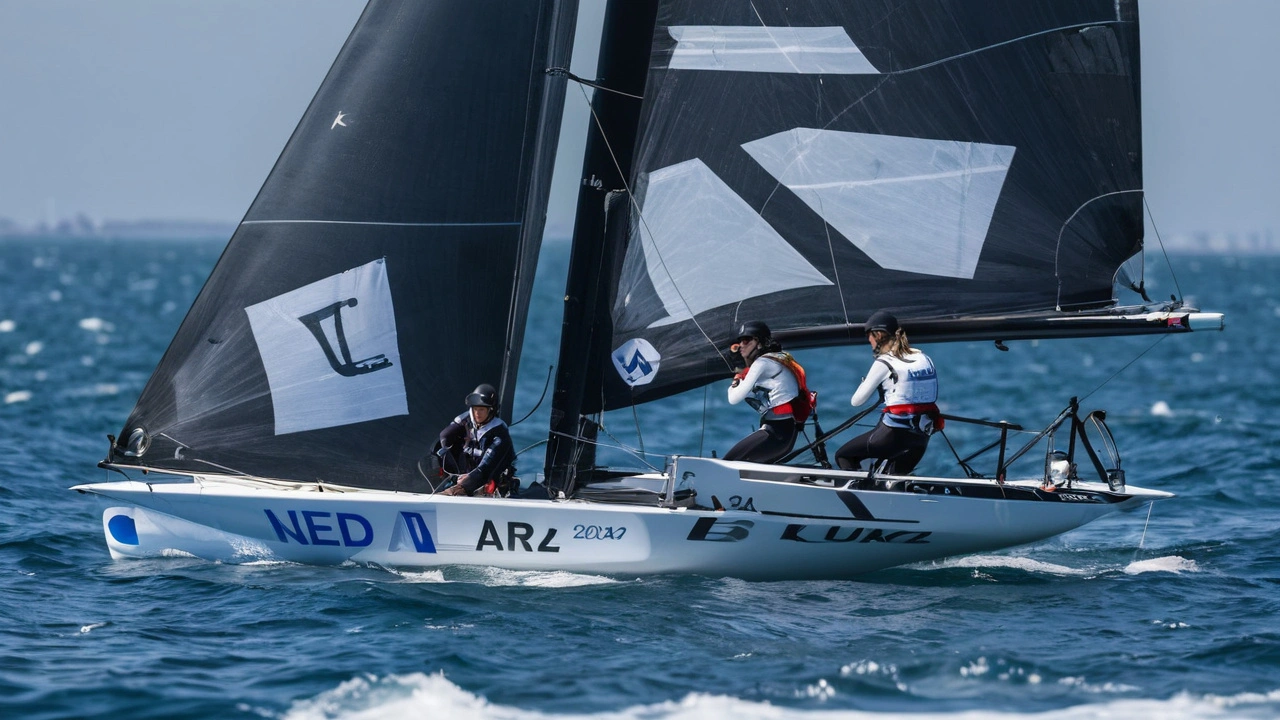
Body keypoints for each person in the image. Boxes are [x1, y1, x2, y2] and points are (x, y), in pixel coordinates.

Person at [834, 311, 941, 476]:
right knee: (892, 479)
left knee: (843, 456)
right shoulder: (924, 358)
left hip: (892, 436)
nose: (868, 341)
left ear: (878, 334)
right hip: (921, 439)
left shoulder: (884, 362)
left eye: (869, 335)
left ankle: (858, 495)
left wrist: (867, 382)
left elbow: (857, 401)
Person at [723, 320, 813, 464]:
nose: (741, 346)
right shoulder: (779, 358)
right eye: (739, 342)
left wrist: (736, 379)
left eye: (746, 340)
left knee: (727, 463)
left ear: (759, 343)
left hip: (776, 434)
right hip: (783, 433)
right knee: (740, 468)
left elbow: (733, 398)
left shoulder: (762, 363)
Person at [437, 383, 517, 496]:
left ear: (491, 410)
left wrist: (468, 480)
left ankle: (457, 491)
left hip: (489, 485)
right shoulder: (467, 422)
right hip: (465, 477)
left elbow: (486, 467)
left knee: (481, 478)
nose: (477, 413)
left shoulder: (499, 432)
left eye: (481, 409)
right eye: (475, 409)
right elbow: (445, 436)